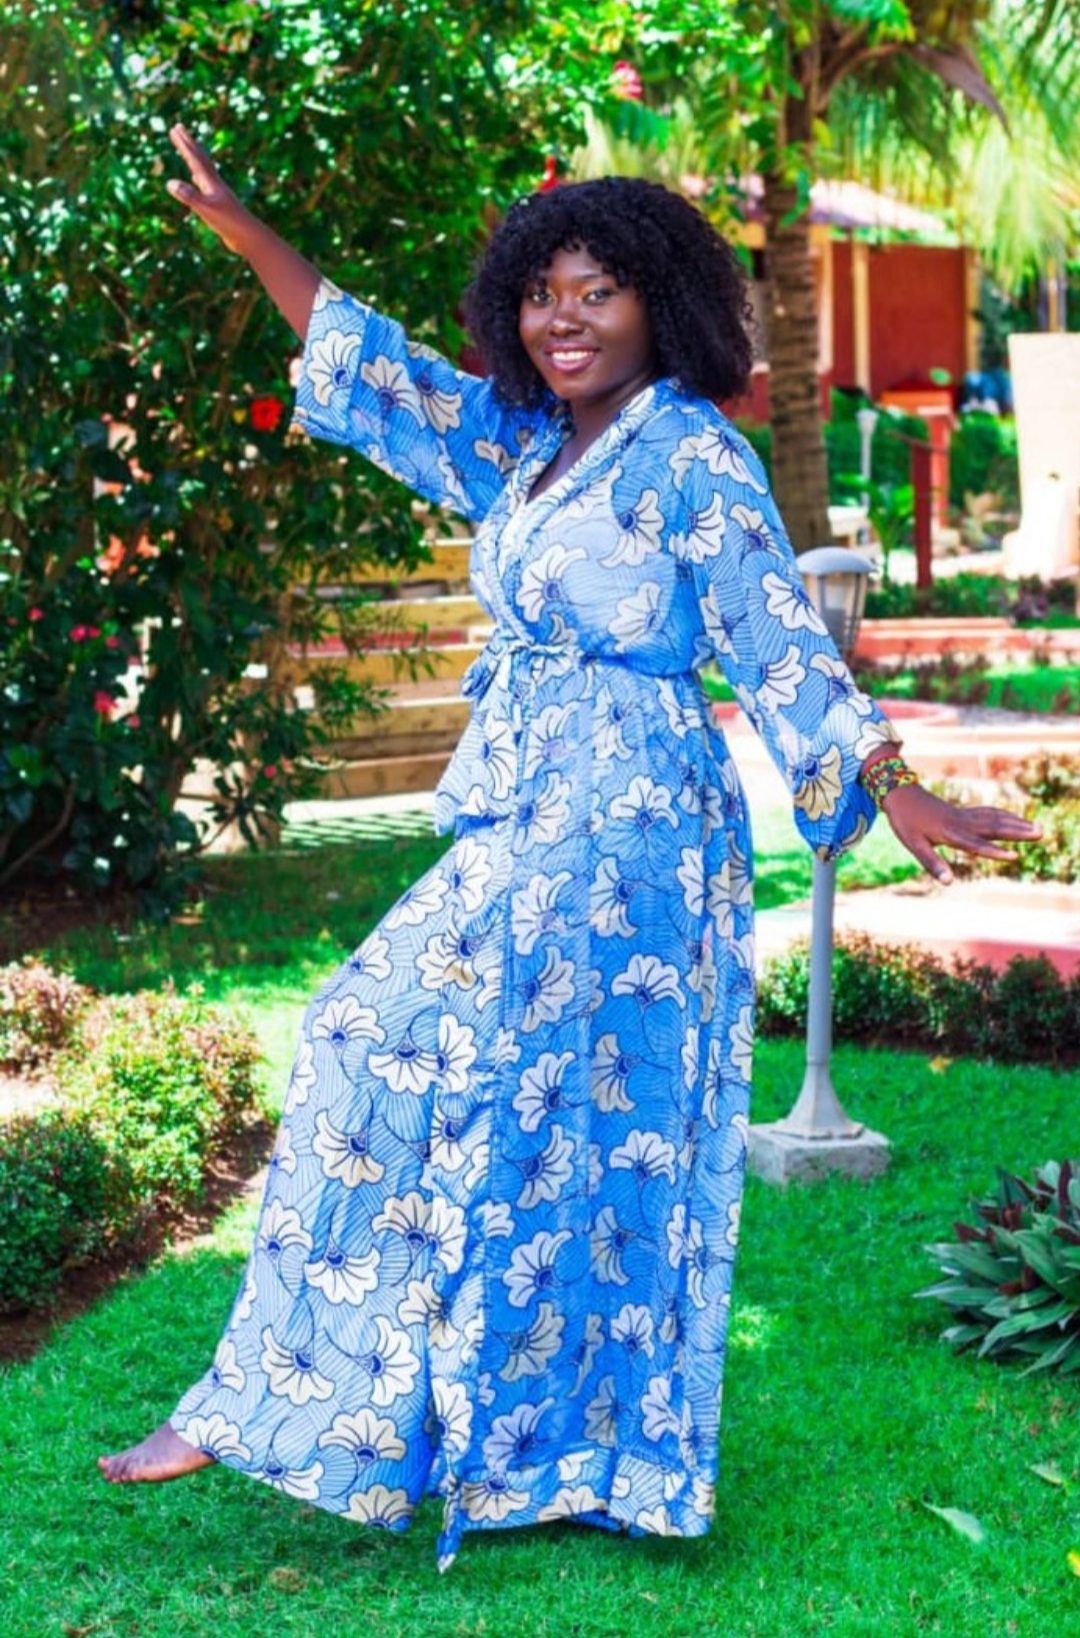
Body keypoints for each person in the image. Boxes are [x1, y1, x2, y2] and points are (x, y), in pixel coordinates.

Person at [98, 126, 1040, 1569]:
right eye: (543, 294)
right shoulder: (530, 444)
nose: (564, 319)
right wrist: (251, 237)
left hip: (632, 828)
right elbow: (387, 376)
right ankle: (326, 1414)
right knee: (386, 1045)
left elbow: (774, 633)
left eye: (598, 291)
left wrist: (888, 781)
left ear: (661, 302)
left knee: (557, 1123)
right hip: (524, 811)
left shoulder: (693, 456)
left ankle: (550, 1447)